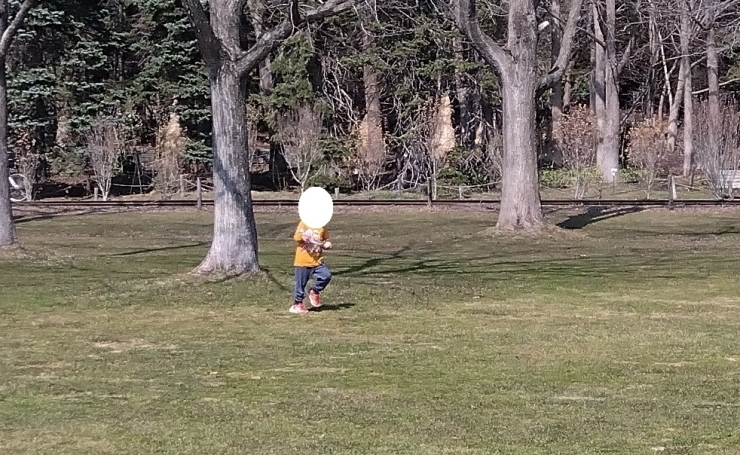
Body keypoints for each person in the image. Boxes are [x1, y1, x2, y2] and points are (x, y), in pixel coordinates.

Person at [289, 220, 333, 314]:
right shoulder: (304, 223)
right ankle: (297, 304)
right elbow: (296, 237)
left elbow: (326, 240)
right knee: (301, 285)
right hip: (303, 261)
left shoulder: (322, 226)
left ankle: (314, 291)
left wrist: (327, 244)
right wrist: (303, 237)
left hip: (317, 261)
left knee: (326, 276)